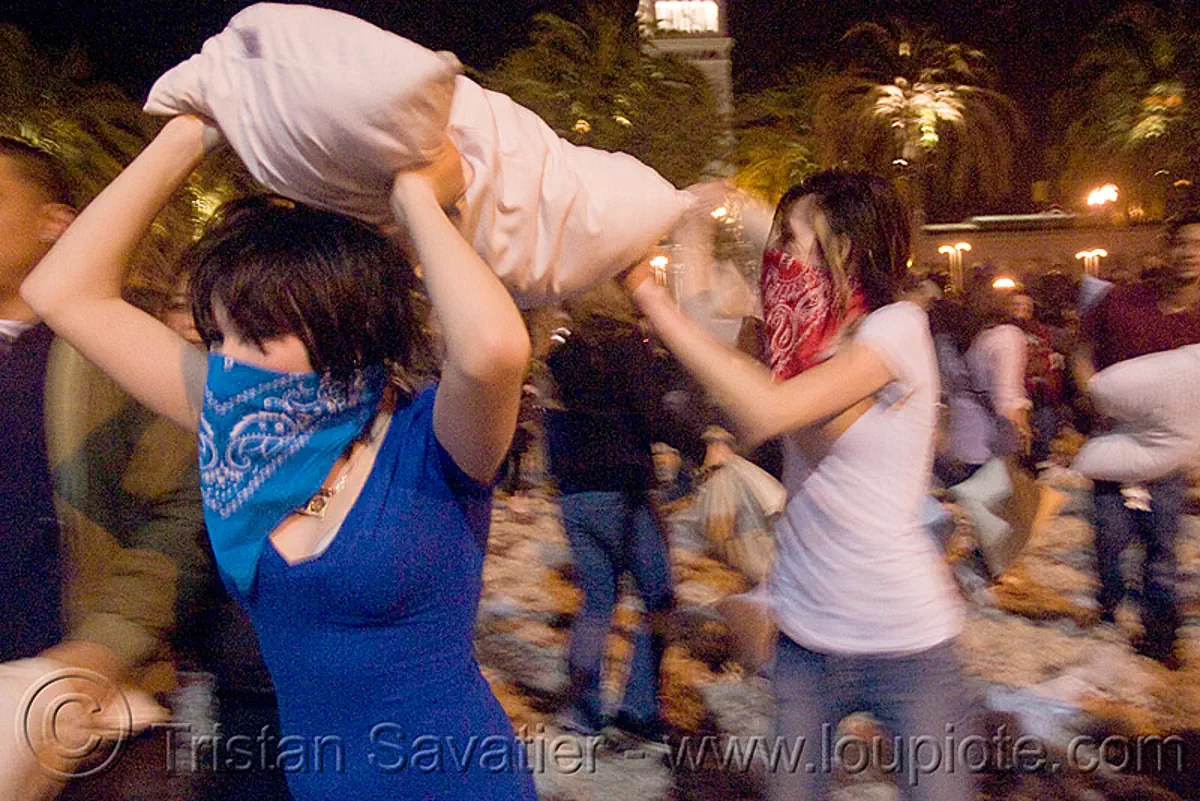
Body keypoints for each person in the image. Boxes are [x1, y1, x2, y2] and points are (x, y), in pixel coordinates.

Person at [21, 115, 536, 800]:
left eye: (258, 335)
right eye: (217, 335)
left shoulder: (433, 439)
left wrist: (414, 197)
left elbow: (495, 350)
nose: (228, 362)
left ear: (347, 325)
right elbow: (63, 291)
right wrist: (193, 130)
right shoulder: (238, 429)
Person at [627, 171, 972, 801]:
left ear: (847, 249)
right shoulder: (796, 340)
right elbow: (709, 327)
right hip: (807, 644)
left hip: (909, 644)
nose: (777, 256)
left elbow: (768, 411)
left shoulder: (895, 328)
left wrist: (648, 295)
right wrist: (700, 218)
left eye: (790, 238)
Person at [0, 136, 238, 799]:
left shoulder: (117, 355)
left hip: (91, 708)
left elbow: (184, 512)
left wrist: (105, 645)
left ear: (56, 223)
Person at [540, 285, 674, 748]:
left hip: (575, 495)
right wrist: (705, 443)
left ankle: (583, 709)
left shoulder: (561, 354)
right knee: (657, 596)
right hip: (622, 491)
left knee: (597, 601)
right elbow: (652, 415)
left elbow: (552, 423)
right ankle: (639, 708)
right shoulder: (625, 345)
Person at [1076, 209, 1200, 669]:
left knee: (1162, 548)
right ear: (1166, 248)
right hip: (1114, 444)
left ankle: (1161, 635)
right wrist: (1092, 392)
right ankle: (1109, 611)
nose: (1189, 253)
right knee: (1109, 541)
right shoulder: (1122, 301)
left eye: (1198, 246)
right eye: (1182, 243)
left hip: (1168, 455)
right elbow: (1082, 350)